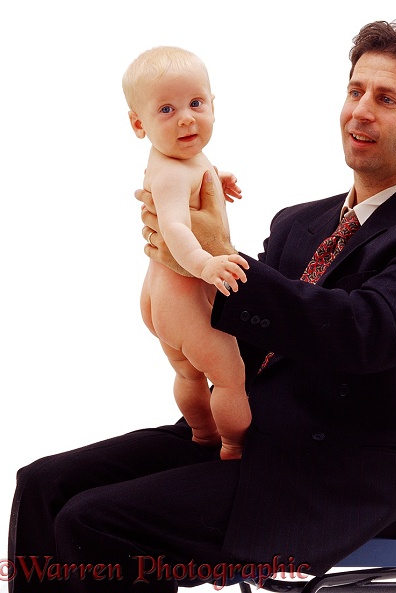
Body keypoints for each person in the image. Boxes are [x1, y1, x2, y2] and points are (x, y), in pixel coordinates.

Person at [8, 21, 396, 593]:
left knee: (96, 522)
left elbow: (364, 334)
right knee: (45, 484)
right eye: (355, 91)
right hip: (245, 437)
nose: (359, 111)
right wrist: (181, 264)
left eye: (386, 99)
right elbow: (243, 330)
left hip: (331, 476)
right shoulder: (300, 222)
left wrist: (218, 252)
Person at [122, 46, 251, 460]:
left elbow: (193, 177)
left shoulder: (181, 155)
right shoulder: (175, 171)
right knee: (230, 378)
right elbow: (175, 228)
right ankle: (234, 446)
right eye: (166, 109)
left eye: (196, 103)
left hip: (159, 299)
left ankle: (201, 435)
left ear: (213, 104)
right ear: (138, 124)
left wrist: (216, 175)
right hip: (184, 300)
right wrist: (206, 262)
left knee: (188, 373)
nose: (186, 117)